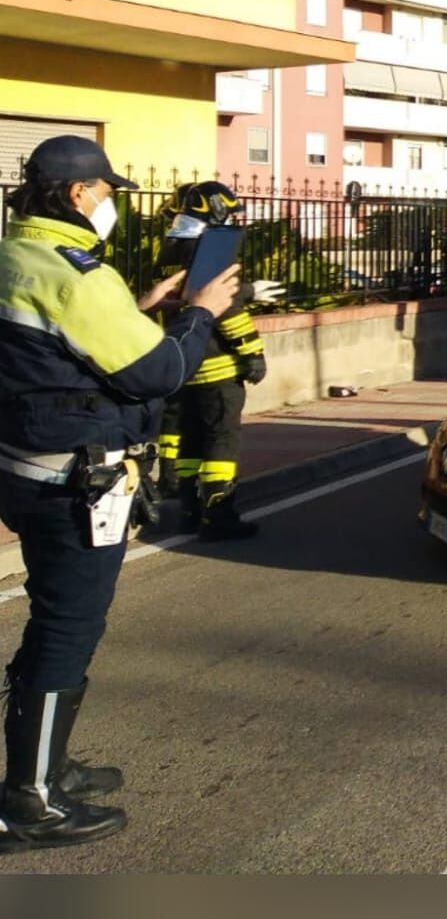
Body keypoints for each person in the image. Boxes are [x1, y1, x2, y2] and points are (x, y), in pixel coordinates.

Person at [0, 136, 239, 853]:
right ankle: (28, 801)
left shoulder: (17, 257)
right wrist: (198, 311)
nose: (110, 204)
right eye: (106, 192)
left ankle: (45, 767)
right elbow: (158, 372)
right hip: (72, 479)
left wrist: (138, 305)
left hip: (23, 466)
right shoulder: (76, 276)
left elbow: (54, 350)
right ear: (77, 195)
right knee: (67, 630)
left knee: (54, 622)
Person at [149, 182, 270, 540]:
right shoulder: (213, 257)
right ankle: (219, 515)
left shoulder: (175, 253)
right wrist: (253, 354)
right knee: (221, 442)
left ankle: (189, 508)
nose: (236, 219)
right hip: (219, 375)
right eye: (231, 212)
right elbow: (228, 310)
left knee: (190, 442)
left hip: (186, 368)